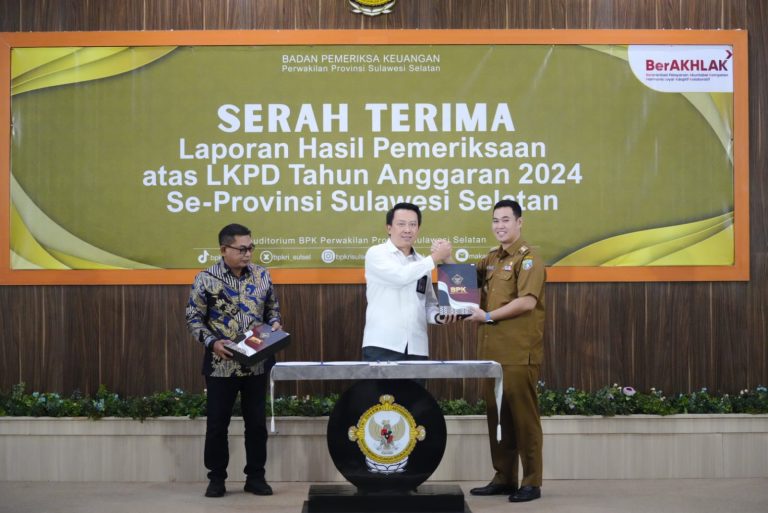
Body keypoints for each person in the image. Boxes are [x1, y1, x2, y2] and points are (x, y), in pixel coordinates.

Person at [185, 223, 281, 498]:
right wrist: (212, 342)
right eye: (242, 249)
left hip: (257, 362)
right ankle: (216, 479)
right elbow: (193, 318)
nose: (248, 254)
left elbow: (272, 309)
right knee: (217, 425)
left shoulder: (262, 275)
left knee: (256, 424)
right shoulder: (205, 279)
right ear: (223, 249)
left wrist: (275, 323)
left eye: (251, 248)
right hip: (221, 364)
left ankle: (256, 477)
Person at [466, 199, 546, 503]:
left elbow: (527, 302)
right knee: (497, 417)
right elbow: (462, 281)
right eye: (495, 220)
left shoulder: (529, 259)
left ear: (519, 222)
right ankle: (504, 477)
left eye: (505, 220)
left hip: (518, 353)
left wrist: (487, 316)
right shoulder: (491, 259)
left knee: (524, 419)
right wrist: (444, 261)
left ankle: (531, 482)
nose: (499, 226)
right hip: (492, 354)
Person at [362, 202, 455, 363]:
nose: (407, 229)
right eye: (401, 224)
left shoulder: (421, 262)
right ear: (389, 228)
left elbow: (428, 304)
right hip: (382, 345)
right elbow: (401, 277)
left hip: (417, 347)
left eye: (413, 224)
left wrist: (438, 317)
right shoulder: (376, 253)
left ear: (418, 229)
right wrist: (435, 257)